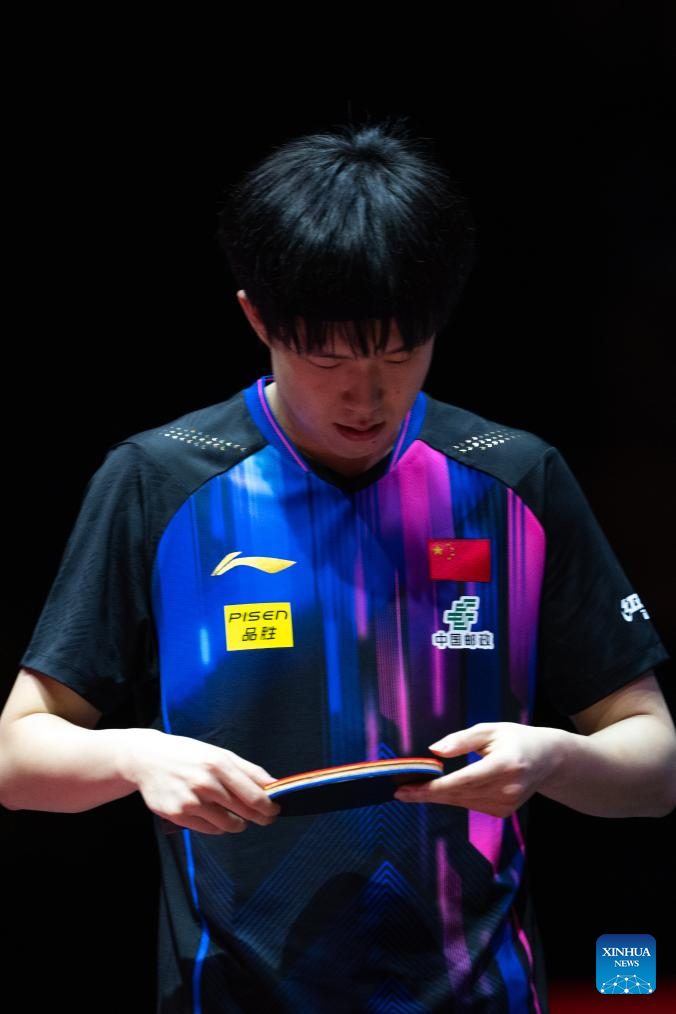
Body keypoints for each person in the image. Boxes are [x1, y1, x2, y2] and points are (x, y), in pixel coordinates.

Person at [1, 117, 674, 1014]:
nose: (369, 395)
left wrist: (552, 758)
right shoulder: (160, 482)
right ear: (257, 318)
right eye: (327, 357)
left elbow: (653, 766)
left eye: (400, 351)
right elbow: (19, 756)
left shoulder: (513, 478)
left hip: (484, 996)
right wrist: (134, 755)